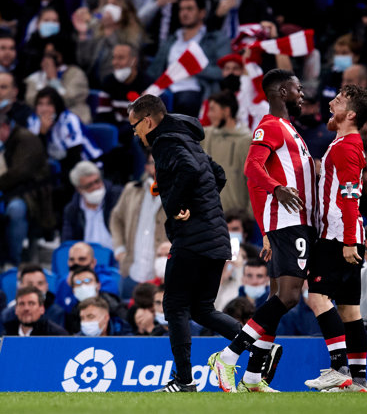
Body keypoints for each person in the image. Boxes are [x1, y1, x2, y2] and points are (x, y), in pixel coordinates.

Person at [127, 93, 242, 392]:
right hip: (216, 236)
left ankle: (184, 381)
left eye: (136, 125)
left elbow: (190, 171)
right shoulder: (186, 138)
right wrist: (196, 203)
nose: (135, 132)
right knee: (202, 308)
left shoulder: (164, 142)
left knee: (175, 305)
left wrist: (179, 204)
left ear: (148, 121)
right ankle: (260, 347)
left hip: (192, 239)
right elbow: (216, 175)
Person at [209, 69, 315, 393]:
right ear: (282, 92)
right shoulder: (270, 126)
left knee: (275, 298)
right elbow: (251, 167)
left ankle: (253, 377)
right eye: (298, 89)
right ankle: (228, 357)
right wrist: (277, 188)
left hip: (291, 223)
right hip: (288, 221)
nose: (302, 95)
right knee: (289, 296)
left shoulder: (289, 129)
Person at [304, 85, 367, 392]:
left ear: (351, 114)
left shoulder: (347, 146)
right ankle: (359, 380)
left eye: (339, 101)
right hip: (345, 234)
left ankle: (339, 368)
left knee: (317, 297)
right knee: (349, 310)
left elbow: (350, 196)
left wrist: (347, 241)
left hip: (337, 235)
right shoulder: (346, 142)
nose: (330, 103)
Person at [147, 0, 230, 116]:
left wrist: (196, 67)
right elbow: (154, 71)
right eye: (182, 9)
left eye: (190, 9)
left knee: (184, 102)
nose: (184, 13)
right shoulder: (172, 40)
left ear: (202, 13)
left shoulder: (215, 39)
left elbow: (225, 72)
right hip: (166, 89)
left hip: (194, 90)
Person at [109, 150, 168, 300]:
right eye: (154, 163)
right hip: (131, 270)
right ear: (147, 167)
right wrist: (119, 249)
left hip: (161, 273)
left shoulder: (181, 194)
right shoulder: (132, 189)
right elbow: (116, 218)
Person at [0, 113, 52, 267]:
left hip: (31, 193)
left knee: (16, 210)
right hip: (10, 190)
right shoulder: (8, 141)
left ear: (4, 127)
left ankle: (13, 259)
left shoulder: (26, 139)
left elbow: (20, 173)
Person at [201, 90, 252, 216]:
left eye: (212, 109)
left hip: (236, 220)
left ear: (226, 111)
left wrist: (250, 217)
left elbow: (254, 181)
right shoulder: (205, 136)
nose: (208, 114)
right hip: (208, 218)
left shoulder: (246, 141)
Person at [24, 35, 91, 124]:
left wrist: (53, 80)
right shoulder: (36, 77)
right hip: (42, 123)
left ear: (61, 54)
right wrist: (44, 80)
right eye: (46, 54)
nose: (48, 59)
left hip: (75, 122)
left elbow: (69, 100)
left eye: (52, 55)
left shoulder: (76, 74)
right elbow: (30, 100)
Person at [62, 161, 123, 249]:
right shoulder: (72, 210)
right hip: (87, 259)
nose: (95, 187)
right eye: (89, 185)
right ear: (79, 189)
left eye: (97, 181)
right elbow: (67, 243)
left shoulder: (118, 197)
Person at [1, 263, 64, 328]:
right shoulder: (7, 315)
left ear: (47, 286)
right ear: (20, 286)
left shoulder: (58, 313)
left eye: (40, 283)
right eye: (30, 284)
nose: (35, 288)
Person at [2, 287, 68, 336]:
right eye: (22, 304)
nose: (26, 308)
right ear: (16, 309)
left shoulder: (57, 335)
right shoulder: (6, 334)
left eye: (31, 303)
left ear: (42, 309)